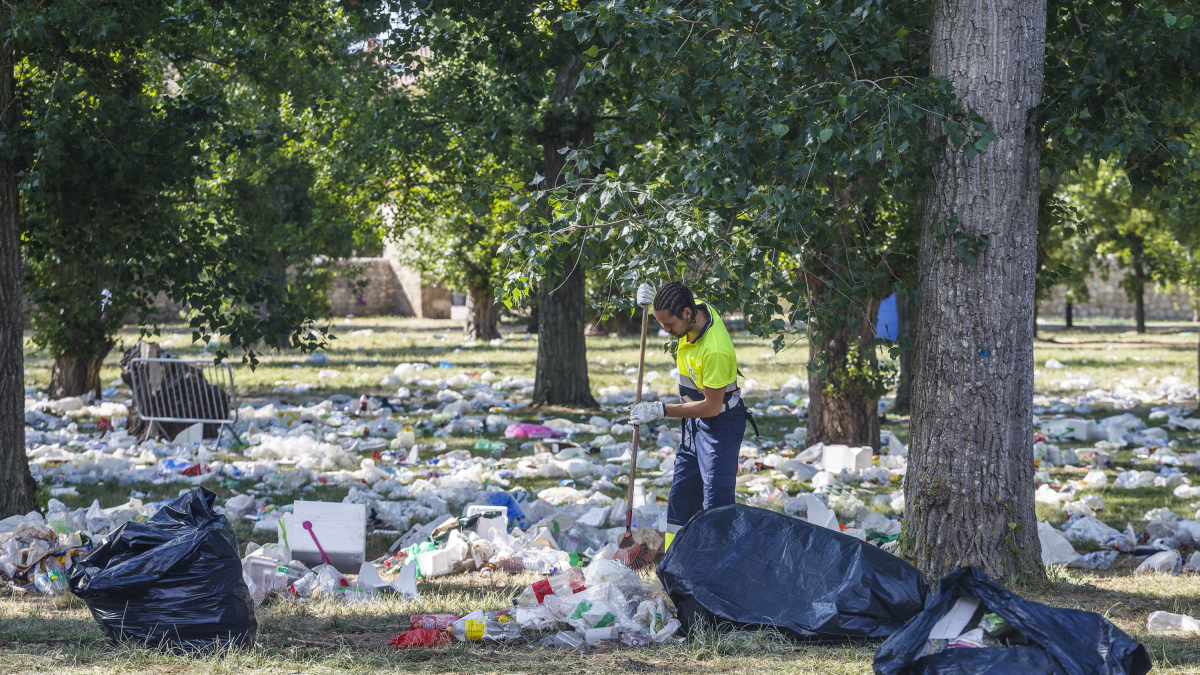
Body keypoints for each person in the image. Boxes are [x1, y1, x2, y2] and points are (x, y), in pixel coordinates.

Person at [628, 281, 749, 550]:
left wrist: (660, 410)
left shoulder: (714, 349)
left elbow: (711, 407)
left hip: (720, 427)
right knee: (681, 498)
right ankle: (675, 563)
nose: (666, 330)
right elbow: (675, 293)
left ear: (686, 313)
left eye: (668, 324)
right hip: (694, 425)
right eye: (660, 323)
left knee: (716, 505)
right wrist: (648, 302)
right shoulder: (695, 308)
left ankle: (717, 568)